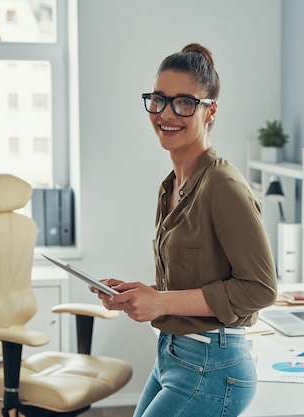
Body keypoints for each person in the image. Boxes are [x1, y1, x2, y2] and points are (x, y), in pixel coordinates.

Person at [93, 43, 277, 417]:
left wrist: (161, 302)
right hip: (172, 354)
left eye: (185, 103)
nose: (167, 113)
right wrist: (141, 295)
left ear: (210, 111)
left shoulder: (222, 185)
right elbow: (194, 280)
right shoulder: (171, 186)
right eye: (159, 100)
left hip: (213, 365)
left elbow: (261, 288)